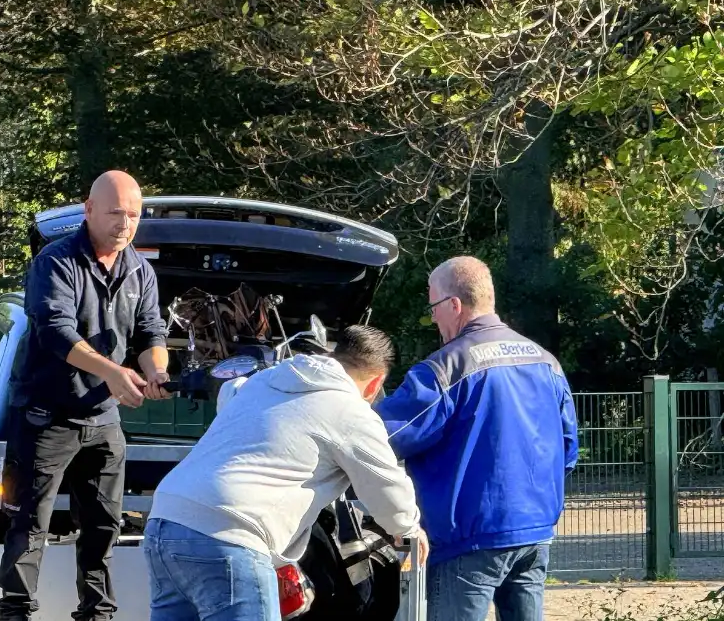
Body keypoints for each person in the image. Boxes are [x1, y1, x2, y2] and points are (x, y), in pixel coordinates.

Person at [143, 325, 424, 621]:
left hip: (165, 519)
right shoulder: (351, 411)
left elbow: (230, 396)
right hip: (231, 534)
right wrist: (408, 529)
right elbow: (385, 487)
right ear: (375, 382)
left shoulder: (265, 380)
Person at [0, 170, 171, 621]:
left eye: (133, 215)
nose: (125, 224)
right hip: (45, 418)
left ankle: (98, 614)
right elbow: (56, 332)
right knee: (28, 524)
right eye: (116, 213)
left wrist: (156, 372)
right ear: (89, 209)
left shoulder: (140, 270)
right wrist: (113, 373)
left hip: (104, 420)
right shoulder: (55, 262)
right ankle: (15, 613)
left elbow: (151, 332)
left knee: (103, 526)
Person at [376, 256, 579, 621]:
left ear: (454, 305)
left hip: (469, 542)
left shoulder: (444, 368)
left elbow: (381, 438)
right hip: (535, 534)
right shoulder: (547, 362)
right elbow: (568, 448)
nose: (434, 317)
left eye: (434, 306)